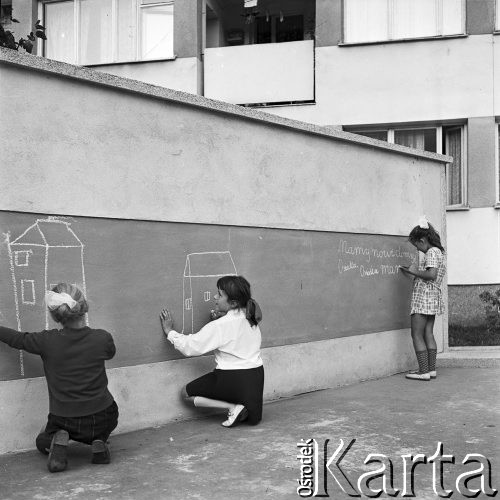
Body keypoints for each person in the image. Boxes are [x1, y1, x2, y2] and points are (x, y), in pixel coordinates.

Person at [0, 283, 118, 472]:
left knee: (42, 440)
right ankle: (98, 440)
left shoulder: (46, 341)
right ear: (83, 307)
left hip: (65, 419)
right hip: (103, 415)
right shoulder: (102, 338)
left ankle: (60, 436)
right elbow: (110, 353)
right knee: (108, 419)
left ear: (56, 316)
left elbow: (18, 339)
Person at [160, 275, 264, 427]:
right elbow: (234, 336)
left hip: (231, 377)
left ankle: (232, 407)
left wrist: (170, 332)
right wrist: (218, 321)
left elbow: (191, 347)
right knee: (252, 420)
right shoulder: (251, 318)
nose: (215, 297)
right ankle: (239, 406)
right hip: (256, 377)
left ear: (233, 303)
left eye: (220, 295)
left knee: (186, 393)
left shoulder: (220, 325)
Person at [400, 216, 446, 381]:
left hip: (424, 297)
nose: (418, 249)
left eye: (417, 245)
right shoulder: (438, 251)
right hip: (432, 297)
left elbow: (431, 275)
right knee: (428, 332)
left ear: (422, 240)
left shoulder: (431, 252)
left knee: (416, 334)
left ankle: (423, 371)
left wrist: (412, 271)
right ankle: (430, 370)